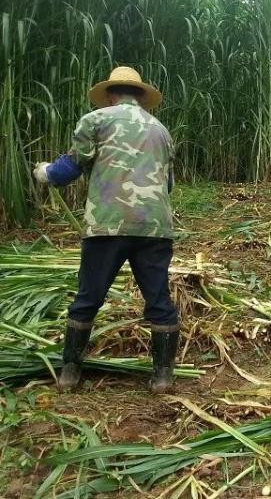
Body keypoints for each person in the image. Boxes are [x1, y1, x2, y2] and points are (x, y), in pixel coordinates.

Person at [32, 66, 180, 393]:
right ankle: (162, 378)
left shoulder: (96, 120)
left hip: (107, 225)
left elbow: (71, 166)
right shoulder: (161, 130)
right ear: (140, 96)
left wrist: (45, 173)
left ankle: (70, 374)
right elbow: (166, 184)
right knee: (159, 299)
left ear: (111, 94)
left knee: (88, 297)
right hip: (154, 227)